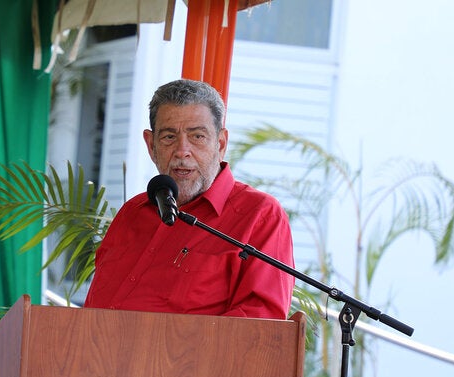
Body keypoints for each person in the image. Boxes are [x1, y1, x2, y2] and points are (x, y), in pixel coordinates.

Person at [83, 79, 295, 319]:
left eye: (197, 136)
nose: (182, 151)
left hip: (184, 346)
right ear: (151, 146)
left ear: (221, 144)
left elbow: (260, 326)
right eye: (169, 137)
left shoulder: (260, 215)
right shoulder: (132, 212)